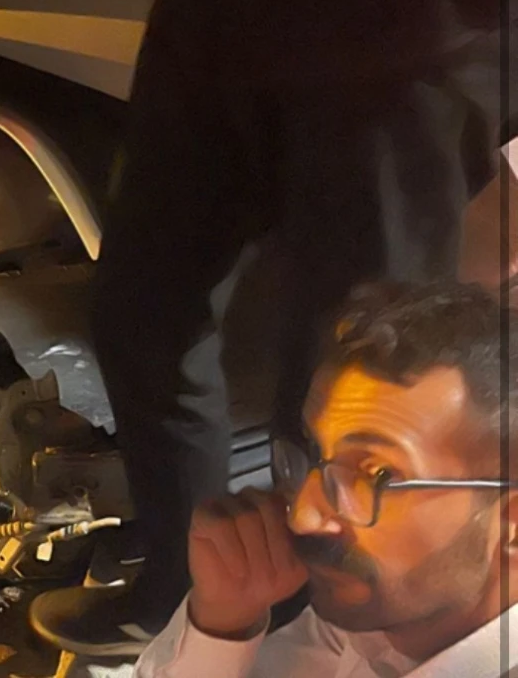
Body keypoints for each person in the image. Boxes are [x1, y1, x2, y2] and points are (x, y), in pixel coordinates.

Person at [28, 0, 517, 652]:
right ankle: (191, 588)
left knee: (350, 377)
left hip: (418, 21)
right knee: (143, 314)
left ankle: (309, 636)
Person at [135, 279, 518, 676]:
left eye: (378, 475)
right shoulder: (370, 632)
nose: (303, 516)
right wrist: (222, 622)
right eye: (316, 453)